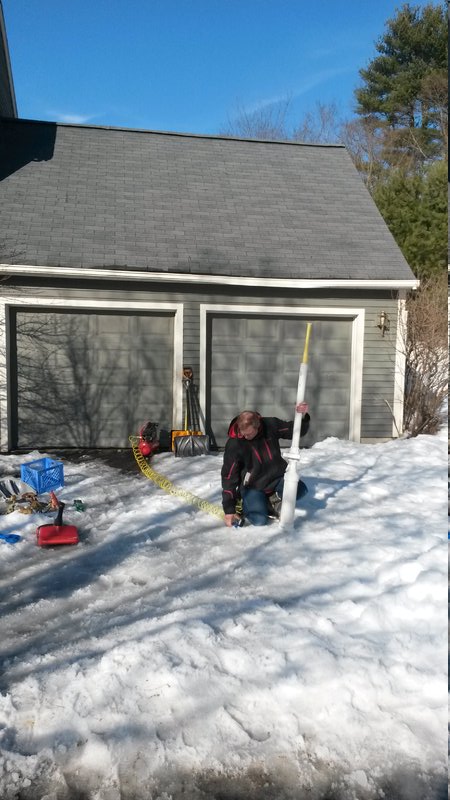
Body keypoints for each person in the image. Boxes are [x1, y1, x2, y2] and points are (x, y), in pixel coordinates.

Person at [221, 403, 310, 527]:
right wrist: (229, 509)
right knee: (259, 520)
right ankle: (250, 503)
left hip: (276, 478)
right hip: (253, 486)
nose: (245, 436)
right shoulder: (234, 444)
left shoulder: (270, 425)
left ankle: (272, 499)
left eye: (249, 434)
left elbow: (294, 431)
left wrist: (303, 416)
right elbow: (229, 476)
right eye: (242, 433)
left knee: (301, 490)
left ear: (258, 426)